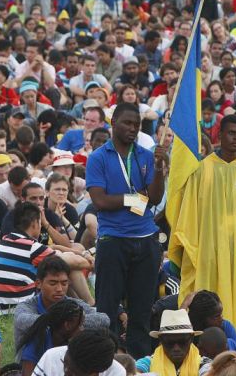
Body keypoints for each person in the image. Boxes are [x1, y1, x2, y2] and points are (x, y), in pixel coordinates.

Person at [169, 114, 236, 354]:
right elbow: (189, 216)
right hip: (210, 255)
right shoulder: (201, 171)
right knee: (208, 309)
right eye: (232, 133)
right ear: (220, 135)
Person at [86, 102, 168, 358]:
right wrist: (134, 198)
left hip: (146, 241)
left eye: (138, 125)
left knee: (142, 310)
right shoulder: (98, 157)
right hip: (113, 241)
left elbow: (154, 198)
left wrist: (158, 170)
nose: (133, 129)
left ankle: (140, 362)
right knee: (107, 309)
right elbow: (100, 201)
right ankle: (106, 360)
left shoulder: (145, 155)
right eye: (128, 123)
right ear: (113, 123)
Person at [14, 256, 109, 348]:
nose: (59, 289)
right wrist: (71, 322)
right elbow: (23, 320)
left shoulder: (74, 304)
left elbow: (103, 319)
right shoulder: (26, 306)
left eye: (64, 283)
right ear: (38, 284)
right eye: (53, 283)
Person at [0, 201, 56, 305]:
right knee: (62, 273)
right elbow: (71, 263)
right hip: (21, 303)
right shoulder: (32, 247)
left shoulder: (5, 240)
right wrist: (86, 257)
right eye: (40, 223)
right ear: (34, 223)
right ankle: (87, 303)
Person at [17, 298, 83, 376]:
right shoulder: (37, 343)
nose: (82, 329)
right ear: (67, 325)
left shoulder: (71, 345)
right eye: (80, 325)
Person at [136, 309, 209, 375]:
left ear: (191, 339)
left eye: (182, 342)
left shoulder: (204, 363)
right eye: (169, 342)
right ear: (161, 340)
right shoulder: (148, 362)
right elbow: (133, 372)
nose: (176, 348)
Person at [32, 329, 121, 376]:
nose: (66, 371)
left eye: (72, 374)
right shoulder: (52, 356)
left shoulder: (116, 372)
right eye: (64, 363)